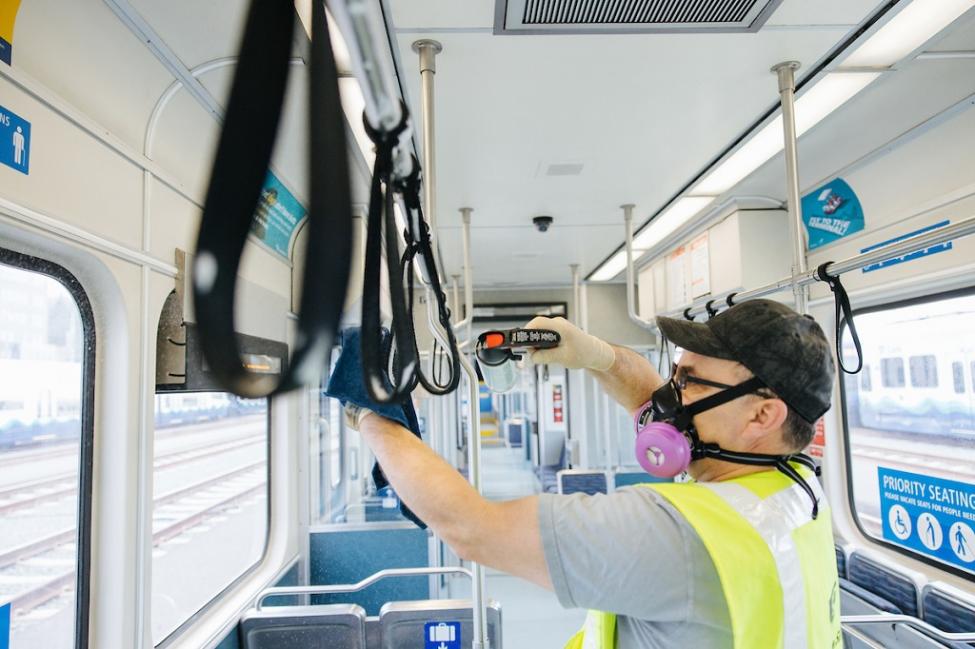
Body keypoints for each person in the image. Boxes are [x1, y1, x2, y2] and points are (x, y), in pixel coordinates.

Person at [340, 299, 841, 648]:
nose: (669, 397)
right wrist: (596, 356)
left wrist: (371, 414)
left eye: (687, 383)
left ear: (762, 415)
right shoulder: (792, 486)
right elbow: (652, 401)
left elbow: (472, 529)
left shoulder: (679, 533)